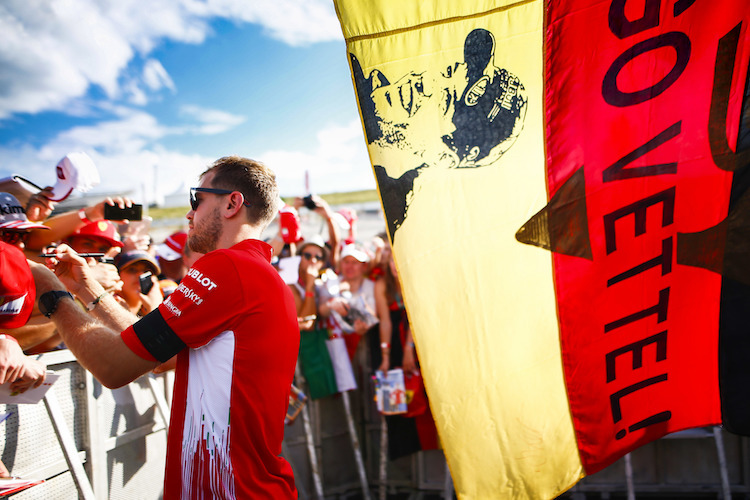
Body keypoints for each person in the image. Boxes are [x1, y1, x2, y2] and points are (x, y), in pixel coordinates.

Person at [31, 155, 300, 498]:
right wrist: (86, 289)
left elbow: (112, 366)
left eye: (197, 199)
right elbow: (156, 354)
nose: (189, 213)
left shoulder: (229, 266)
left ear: (233, 203)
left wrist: (51, 292)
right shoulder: (255, 272)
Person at [350, 28, 528, 240]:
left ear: (444, 156)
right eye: (448, 72)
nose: (423, 80)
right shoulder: (360, 77)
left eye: (445, 100)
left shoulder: (397, 216)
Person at [113, 250, 163, 317]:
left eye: (147, 271)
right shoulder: (106, 307)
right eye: (132, 270)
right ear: (117, 275)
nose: (141, 275)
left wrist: (154, 308)